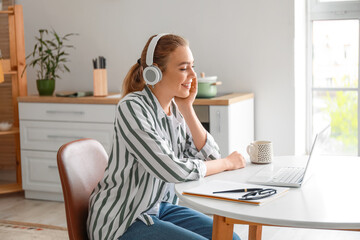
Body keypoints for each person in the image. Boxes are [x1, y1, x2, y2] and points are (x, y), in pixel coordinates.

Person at [87, 33, 246, 240]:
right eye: (183, 68)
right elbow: (173, 170)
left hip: (160, 208)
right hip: (123, 220)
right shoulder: (132, 108)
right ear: (154, 73)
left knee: (230, 238)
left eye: (192, 66)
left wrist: (187, 108)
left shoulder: (176, 110)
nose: (193, 75)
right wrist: (227, 163)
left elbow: (211, 158)